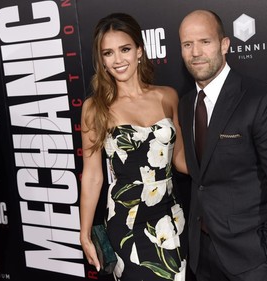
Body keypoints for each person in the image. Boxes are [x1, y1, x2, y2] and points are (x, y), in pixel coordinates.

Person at [178, 9, 267, 281]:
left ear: (225, 45)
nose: (196, 52)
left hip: (254, 260)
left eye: (205, 42)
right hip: (202, 257)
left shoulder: (263, 102)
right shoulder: (187, 104)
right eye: (187, 44)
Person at [80, 12, 188, 281]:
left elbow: (181, 159)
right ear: (102, 60)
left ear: (139, 50)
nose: (117, 60)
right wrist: (84, 234)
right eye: (108, 53)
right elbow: (93, 176)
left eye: (125, 49)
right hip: (126, 224)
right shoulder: (95, 108)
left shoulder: (167, 96)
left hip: (170, 217)